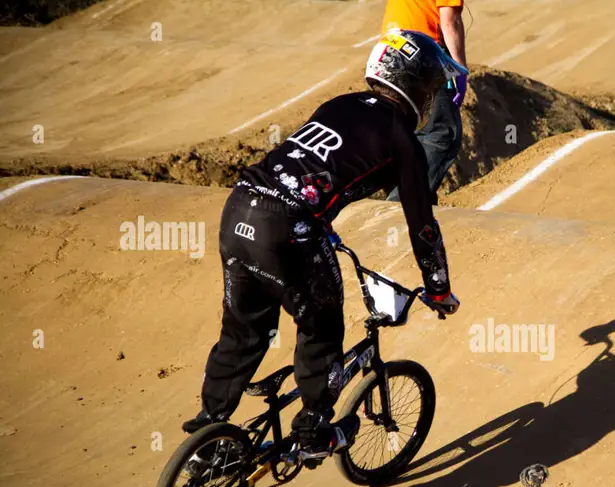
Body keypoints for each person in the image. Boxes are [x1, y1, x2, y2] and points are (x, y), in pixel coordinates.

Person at [181, 29, 466, 462]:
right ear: (414, 87)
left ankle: (208, 430)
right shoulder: (402, 138)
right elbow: (422, 225)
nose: (430, 98)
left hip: (239, 207)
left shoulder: (339, 104)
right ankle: (313, 430)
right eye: (429, 88)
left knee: (244, 329)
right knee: (322, 325)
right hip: (287, 229)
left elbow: (314, 165)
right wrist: (439, 287)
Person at [380, 0, 468, 204]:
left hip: (387, 53)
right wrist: (459, 70)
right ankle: (403, 203)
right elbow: (450, 21)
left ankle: (420, 203)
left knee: (403, 133)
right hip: (421, 55)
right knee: (441, 133)